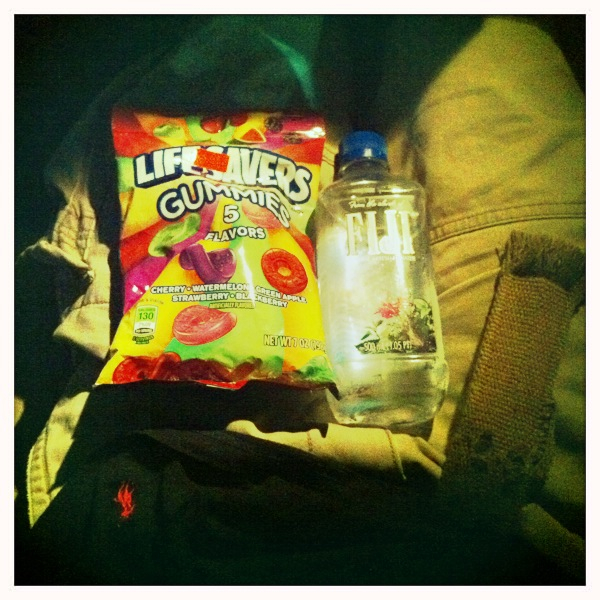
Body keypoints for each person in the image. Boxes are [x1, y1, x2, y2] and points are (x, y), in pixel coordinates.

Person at [14, 15, 585, 585]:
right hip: (448, 471)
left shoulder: (74, 548)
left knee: (267, 50)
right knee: (484, 57)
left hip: (173, 480)